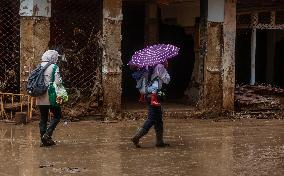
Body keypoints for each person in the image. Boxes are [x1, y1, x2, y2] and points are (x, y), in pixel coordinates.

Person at [131, 61, 170, 148]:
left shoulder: (146, 66)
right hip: (154, 95)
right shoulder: (160, 66)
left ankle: (160, 141)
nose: (167, 60)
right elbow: (167, 80)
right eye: (165, 59)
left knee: (158, 118)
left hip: (148, 95)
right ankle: (136, 137)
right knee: (152, 118)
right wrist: (165, 69)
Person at [36, 50, 63, 147]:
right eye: (56, 57)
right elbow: (58, 82)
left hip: (40, 95)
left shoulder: (39, 66)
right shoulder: (54, 67)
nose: (57, 59)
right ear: (52, 58)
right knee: (57, 115)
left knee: (43, 117)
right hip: (51, 95)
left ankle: (43, 140)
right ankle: (47, 135)